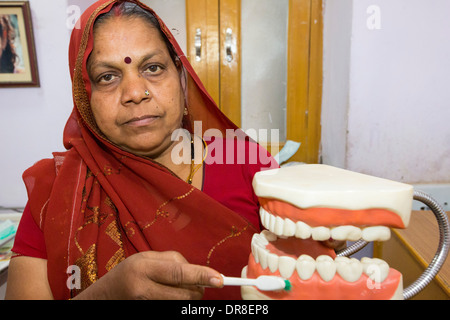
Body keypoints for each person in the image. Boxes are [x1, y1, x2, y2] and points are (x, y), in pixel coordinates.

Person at [5, 0, 278, 300]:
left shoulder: (249, 167)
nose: (135, 93)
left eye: (153, 68)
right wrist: (107, 294)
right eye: (107, 77)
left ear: (181, 79)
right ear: (85, 98)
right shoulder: (54, 193)